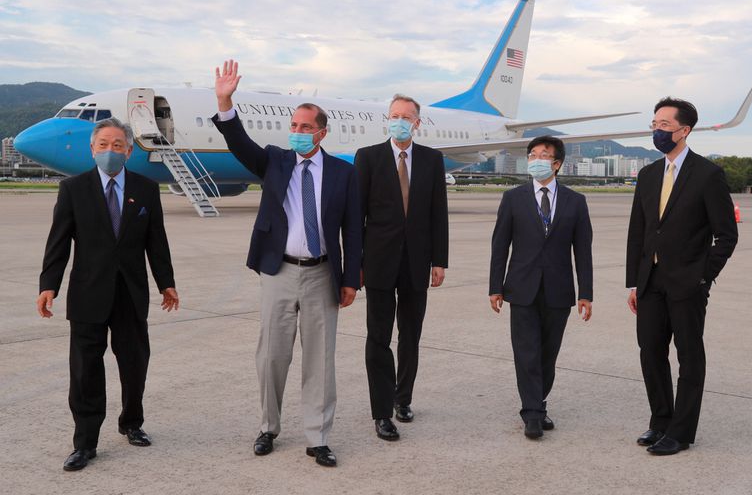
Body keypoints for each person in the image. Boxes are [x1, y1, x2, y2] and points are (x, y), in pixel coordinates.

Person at [212, 60, 361, 467]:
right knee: (272, 355)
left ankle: (318, 436)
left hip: (323, 272)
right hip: (278, 271)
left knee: (320, 358)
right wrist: (225, 102)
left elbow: (353, 230)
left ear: (322, 132)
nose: (297, 132)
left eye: (305, 127)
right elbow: (239, 144)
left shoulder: (342, 174)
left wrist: (351, 280)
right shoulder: (275, 162)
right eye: (294, 126)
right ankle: (268, 428)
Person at [37, 117, 179, 471]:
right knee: (85, 370)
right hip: (87, 294)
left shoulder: (146, 189)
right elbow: (58, 242)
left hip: (131, 293)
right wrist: (48, 285)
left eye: (118, 145)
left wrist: (166, 282)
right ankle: (85, 443)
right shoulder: (74, 189)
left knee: (134, 364)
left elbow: (156, 242)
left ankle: (132, 423)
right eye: (103, 144)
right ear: (92, 149)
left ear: (129, 151)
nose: (110, 151)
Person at [626, 97, 738, 455]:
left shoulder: (708, 175)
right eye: (654, 124)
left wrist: (703, 276)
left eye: (664, 126)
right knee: (650, 352)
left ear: (684, 130)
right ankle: (660, 422)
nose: (657, 131)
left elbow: (726, 235)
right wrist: (634, 281)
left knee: (689, 356)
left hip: (688, 284)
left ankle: (681, 431)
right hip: (650, 282)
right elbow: (638, 232)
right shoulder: (647, 175)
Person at [355, 94, 449, 441]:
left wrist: (440, 260)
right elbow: (357, 217)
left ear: (417, 123)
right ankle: (381, 412)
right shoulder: (368, 158)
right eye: (394, 115)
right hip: (378, 263)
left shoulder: (431, 160)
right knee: (378, 337)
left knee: (410, 335)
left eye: (405, 117)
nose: (399, 121)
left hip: (417, 263)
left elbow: (438, 213)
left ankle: (403, 398)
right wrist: (357, 264)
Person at [489, 135, 592, 439]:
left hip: (559, 290)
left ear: (557, 163)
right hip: (521, 288)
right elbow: (500, 246)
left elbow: (583, 251)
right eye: (532, 155)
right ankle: (532, 413)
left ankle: (539, 402)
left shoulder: (576, 201)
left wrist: (586, 292)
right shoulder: (513, 198)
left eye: (543, 155)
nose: (535, 160)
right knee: (526, 352)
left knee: (548, 354)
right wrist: (495, 286)